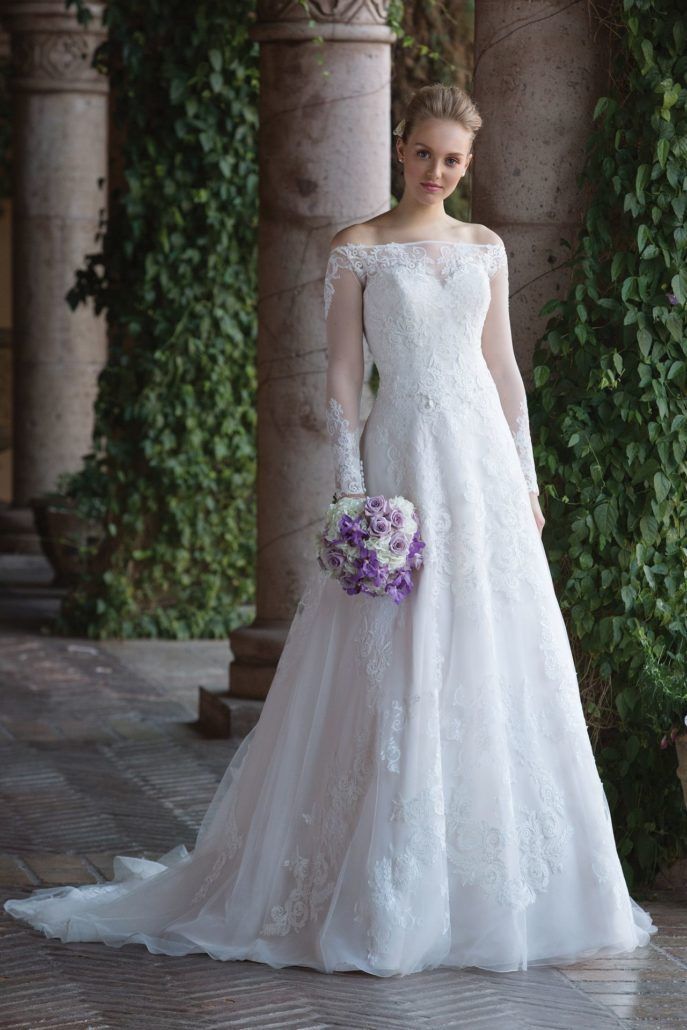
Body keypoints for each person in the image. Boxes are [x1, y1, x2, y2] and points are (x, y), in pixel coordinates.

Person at [4, 83, 657, 976]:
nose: (436, 171)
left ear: (468, 163)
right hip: (401, 462)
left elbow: (503, 368)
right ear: (399, 147)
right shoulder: (359, 247)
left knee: (492, 650)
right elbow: (343, 380)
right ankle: (383, 880)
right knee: (393, 653)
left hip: (483, 475)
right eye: (423, 152)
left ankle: (494, 886)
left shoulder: (484, 246)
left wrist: (527, 478)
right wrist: (354, 492)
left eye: (452, 159)